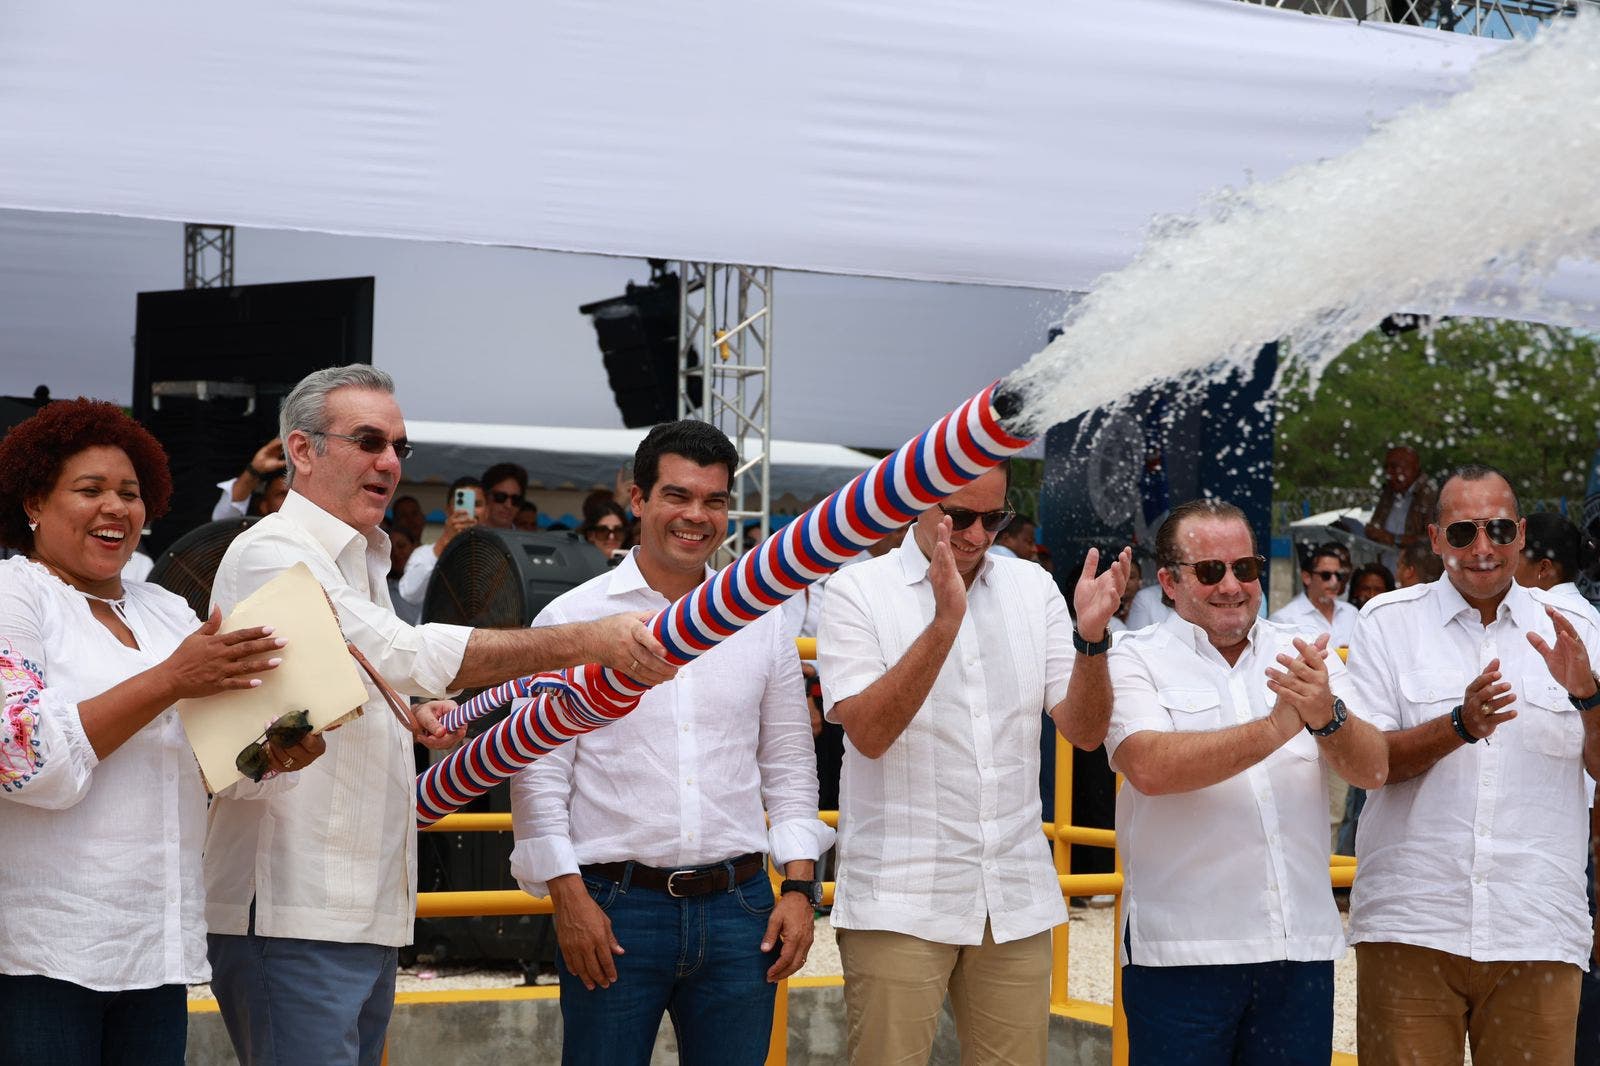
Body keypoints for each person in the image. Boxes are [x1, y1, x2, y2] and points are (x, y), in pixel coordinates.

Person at [203, 365, 677, 1066]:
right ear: (302, 452)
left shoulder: (360, 558)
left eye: (399, 445)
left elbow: (353, 677)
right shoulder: (273, 553)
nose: (390, 461)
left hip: (352, 910)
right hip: (293, 910)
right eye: (368, 441)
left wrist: (410, 716)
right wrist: (589, 639)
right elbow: (401, 652)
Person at [0, 399, 314, 1065]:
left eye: (131, 493)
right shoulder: (14, 597)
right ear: (33, 500)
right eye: (90, 490)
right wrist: (172, 679)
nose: (116, 508)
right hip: (39, 955)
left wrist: (270, 756)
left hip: (153, 950)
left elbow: (195, 766)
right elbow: (24, 762)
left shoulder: (166, 609)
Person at [511, 420, 832, 1066]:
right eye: (678, 496)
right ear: (637, 499)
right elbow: (539, 773)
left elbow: (791, 766)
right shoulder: (571, 620)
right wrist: (567, 899)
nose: (697, 516)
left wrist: (799, 890)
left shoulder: (762, 620)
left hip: (742, 911)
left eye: (714, 500)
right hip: (612, 909)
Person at [817, 461, 1131, 1066]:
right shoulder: (857, 590)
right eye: (960, 515)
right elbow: (871, 734)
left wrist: (1092, 641)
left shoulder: (1033, 587)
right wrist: (945, 623)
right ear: (915, 502)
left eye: (994, 517)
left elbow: (1085, 733)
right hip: (900, 893)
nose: (977, 534)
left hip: (1012, 893)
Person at [1106, 499, 1387, 1065]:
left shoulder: (1306, 656)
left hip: (1299, 952)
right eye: (1211, 571)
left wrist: (1327, 716)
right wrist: (1282, 724)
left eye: (1246, 568)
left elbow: (1373, 769)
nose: (1232, 585)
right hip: (1181, 956)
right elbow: (1151, 767)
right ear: (1168, 581)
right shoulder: (1133, 657)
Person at [1348, 465, 1600, 1066]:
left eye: (1497, 530)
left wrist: (1589, 698)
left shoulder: (1581, 629)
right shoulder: (1386, 622)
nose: (1481, 549)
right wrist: (1458, 727)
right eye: (1462, 533)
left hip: (1537, 925)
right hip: (1411, 921)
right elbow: (1370, 766)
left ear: (1520, 536)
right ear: (1435, 539)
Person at [395, 475, 486, 611]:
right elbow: (409, 594)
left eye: (477, 504)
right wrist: (444, 543)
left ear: (487, 511)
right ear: (448, 510)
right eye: (462, 504)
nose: (470, 511)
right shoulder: (425, 553)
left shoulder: (499, 554)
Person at [1270, 544, 1359, 649]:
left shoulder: (1352, 613)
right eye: (1326, 575)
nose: (1334, 582)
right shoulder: (1284, 620)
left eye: (1339, 575)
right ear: (1307, 577)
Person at [1364, 445, 1437, 572]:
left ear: (1413, 468)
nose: (1389, 473)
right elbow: (1376, 524)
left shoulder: (1430, 496)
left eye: (1394, 467)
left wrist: (1394, 539)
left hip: (1417, 574)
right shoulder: (1388, 494)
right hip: (1386, 571)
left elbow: (1435, 539)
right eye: (1387, 468)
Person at [212, 437, 291, 521]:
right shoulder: (257, 533)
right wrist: (254, 470)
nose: (292, 500)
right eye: (283, 494)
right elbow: (224, 521)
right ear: (264, 506)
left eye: (298, 494)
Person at [481, 461, 529, 530]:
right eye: (500, 497)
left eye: (515, 499)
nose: (508, 505)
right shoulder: (467, 536)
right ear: (485, 497)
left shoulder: (526, 540)